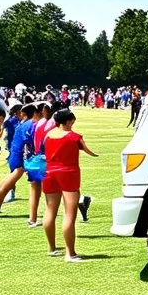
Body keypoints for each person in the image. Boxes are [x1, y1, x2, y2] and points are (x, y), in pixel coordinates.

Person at [42, 109, 98, 262]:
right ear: (67, 121)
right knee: (69, 215)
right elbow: (90, 152)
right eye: (72, 122)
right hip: (69, 175)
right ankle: (70, 253)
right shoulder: (74, 137)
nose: (73, 124)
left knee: (50, 210)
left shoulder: (48, 134)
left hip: (49, 173)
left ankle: (52, 248)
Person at [0, 104, 37, 221]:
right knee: (8, 184)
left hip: (15, 154)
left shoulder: (23, 124)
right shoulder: (28, 124)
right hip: (19, 156)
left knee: (7, 183)